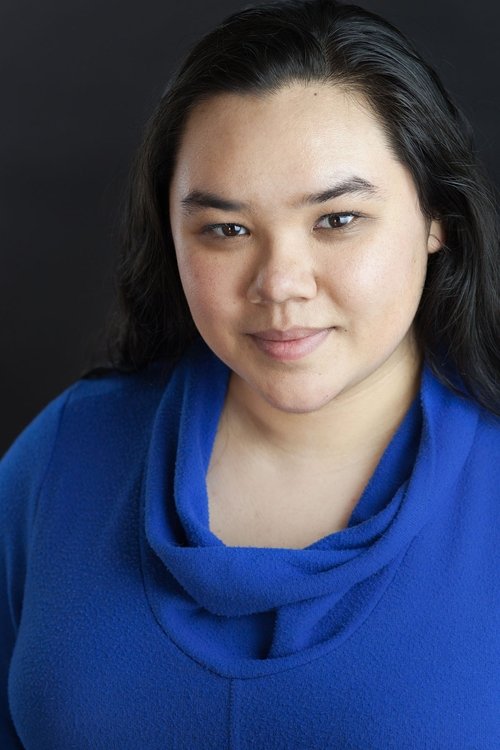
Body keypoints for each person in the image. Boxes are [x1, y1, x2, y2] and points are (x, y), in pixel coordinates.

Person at [1, 0, 499, 746]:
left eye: (337, 220)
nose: (280, 284)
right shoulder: (62, 456)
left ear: (437, 218)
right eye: (227, 229)